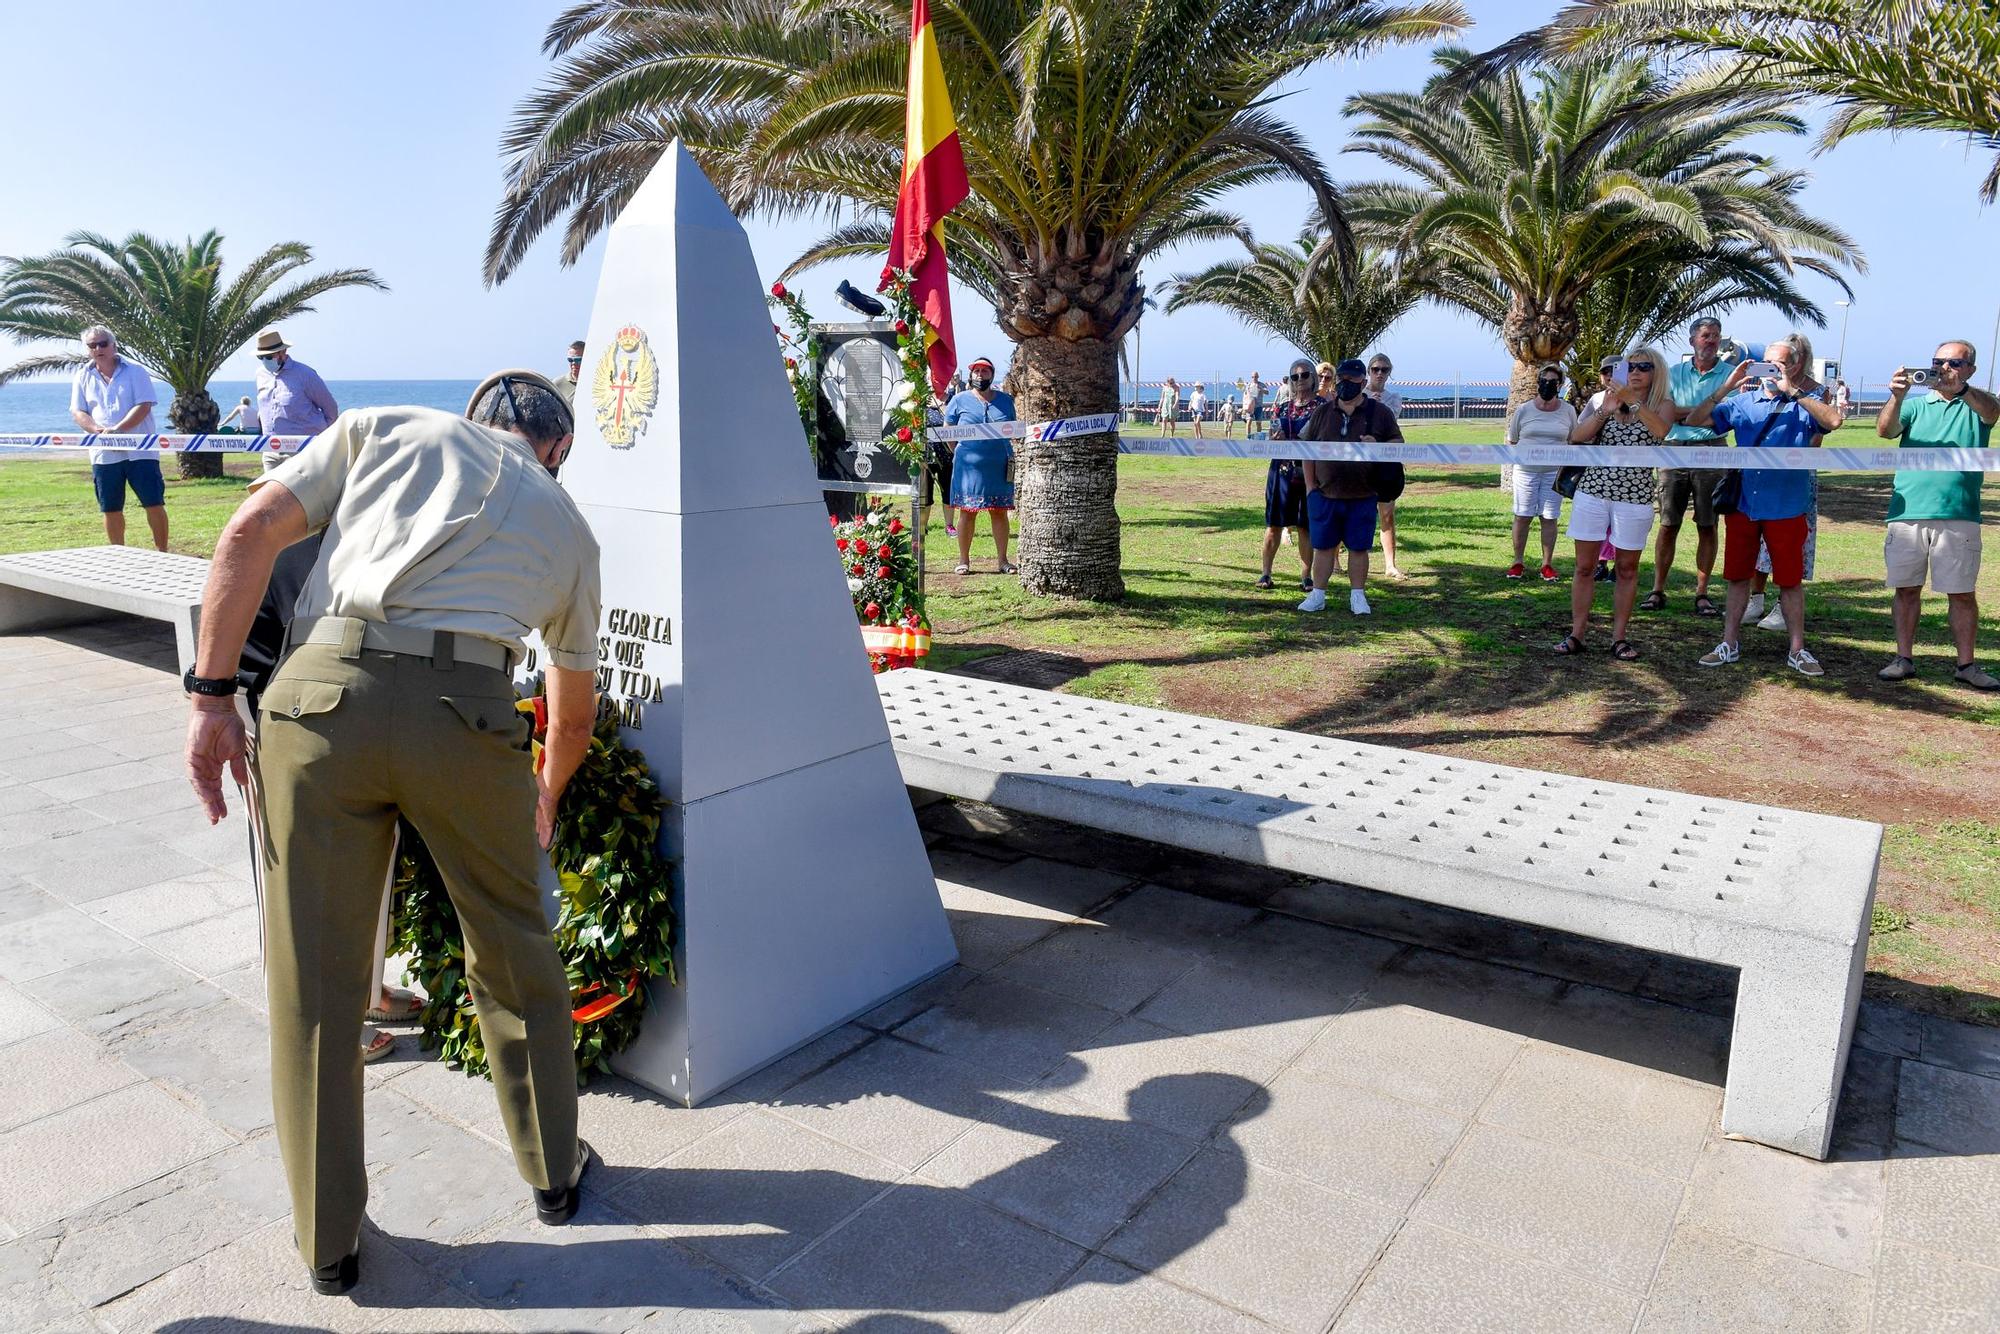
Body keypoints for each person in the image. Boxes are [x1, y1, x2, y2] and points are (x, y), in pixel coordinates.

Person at [181, 369, 599, 1295]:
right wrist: (546, 789)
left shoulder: (385, 429)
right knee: (514, 948)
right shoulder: (570, 528)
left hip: (322, 695)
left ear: (472, 417)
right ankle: (553, 1177)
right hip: (471, 713)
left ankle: (329, 1245)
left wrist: (211, 698)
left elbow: (247, 533)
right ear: (556, 452)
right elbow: (571, 712)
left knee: (316, 979)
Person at [1683, 333, 1838, 676]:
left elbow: (1833, 422)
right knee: (1737, 577)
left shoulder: (1806, 400)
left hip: (1786, 505)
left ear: (1796, 365)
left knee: (1789, 580)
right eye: (1764, 363)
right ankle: (1729, 643)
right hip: (1743, 504)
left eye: (1778, 363)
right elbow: (1695, 421)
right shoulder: (1743, 401)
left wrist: (1792, 390)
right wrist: (1727, 385)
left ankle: (1797, 649)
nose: (1769, 370)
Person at [1876, 340, 1998, 689]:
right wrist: (1897, 396)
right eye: (1937, 362)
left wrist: (1962, 390)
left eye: (1954, 363)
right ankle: (1903, 659)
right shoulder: (1916, 405)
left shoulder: (1976, 405)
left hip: (1958, 513)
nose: (1944, 369)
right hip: (1907, 512)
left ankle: (1966, 665)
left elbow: (1993, 412)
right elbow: (1885, 431)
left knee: (1961, 593)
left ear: (1970, 369)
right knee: (1906, 589)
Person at [1558, 346, 1674, 660]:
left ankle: (1619, 638)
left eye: (1643, 367)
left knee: (1626, 568)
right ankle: (1577, 634)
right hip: (1593, 492)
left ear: (1656, 372)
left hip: (1634, 497)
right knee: (1584, 567)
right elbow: (1578, 436)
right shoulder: (1602, 399)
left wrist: (1633, 400)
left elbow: (1662, 431)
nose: (1635, 372)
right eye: (1631, 366)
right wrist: (1604, 410)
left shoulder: (1662, 404)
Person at [1298, 358, 1402, 616]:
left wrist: (1377, 443)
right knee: (1323, 547)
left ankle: (1358, 596)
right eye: (1341, 380)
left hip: (1363, 494)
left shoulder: (1380, 413)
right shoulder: (1322, 412)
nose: (1345, 385)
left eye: (1352, 381)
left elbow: (1399, 443)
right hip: (1325, 494)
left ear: (1363, 383)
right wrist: (1311, 487)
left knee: (1359, 548)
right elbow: (1306, 449)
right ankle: (1318, 595)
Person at [1647, 317, 1732, 617]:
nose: (1711, 341)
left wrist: (1686, 414)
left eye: (1716, 336)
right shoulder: (1672, 373)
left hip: (1712, 452)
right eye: (1706, 335)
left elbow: (1722, 417)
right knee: (1668, 523)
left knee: (1707, 525)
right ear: (1692, 340)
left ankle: (1702, 592)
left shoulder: (1731, 375)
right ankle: (1658, 589)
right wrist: (1700, 411)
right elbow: (1662, 412)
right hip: (1673, 452)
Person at [68, 326, 168, 550]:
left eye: (103, 343)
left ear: (114, 345)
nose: (98, 349)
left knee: (153, 503)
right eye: (92, 345)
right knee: (110, 508)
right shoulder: (82, 375)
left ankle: (163, 553)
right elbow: (78, 411)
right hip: (104, 454)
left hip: (140, 451)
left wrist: (119, 429)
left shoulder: (135, 371)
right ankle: (118, 554)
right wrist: (96, 430)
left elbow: (144, 405)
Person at [943, 356, 1016, 574]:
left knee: (999, 512)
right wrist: (959, 451)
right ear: (971, 374)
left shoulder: (1005, 400)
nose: (980, 375)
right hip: (968, 468)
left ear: (992, 375)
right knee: (968, 512)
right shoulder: (959, 400)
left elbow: (1014, 429)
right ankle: (963, 561)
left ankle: (1003, 561)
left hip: (998, 465)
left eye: (985, 371)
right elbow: (949, 429)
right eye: (976, 371)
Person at [1505, 363, 1574, 582]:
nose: (1547, 385)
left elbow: (1574, 438)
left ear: (1560, 385)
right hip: (1526, 472)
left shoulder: (1568, 410)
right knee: (1522, 515)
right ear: (1537, 383)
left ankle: (1547, 564)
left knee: (1549, 517)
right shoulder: (1524, 409)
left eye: (1552, 382)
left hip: (1554, 473)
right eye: (1544, 381)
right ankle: (1518, 562)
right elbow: (1513, 439)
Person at [1259, 357, 1321, 591]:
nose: (1300, 380)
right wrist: (1275, 440)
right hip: (1281, 472)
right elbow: (1270, 435)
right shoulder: (1283, 406)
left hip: (1309, 473)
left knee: (1305, 526)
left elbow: (1322, 439)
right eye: (1295, 376)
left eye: (1305, 375)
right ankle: (1265, 573)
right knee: (1274, 524)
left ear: (1313, 377)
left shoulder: (1322, 406)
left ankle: (1306, 577)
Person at [253, 328, 339, 472]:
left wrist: (320, 440)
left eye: (268, 357)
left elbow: (330, 409)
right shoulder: (260, 375)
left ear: (282, 352)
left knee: (304, 494)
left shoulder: (305, 374)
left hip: (302, 450)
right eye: (261, 357)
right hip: (270, 450)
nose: (264, 361)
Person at [1365, 353, 1407, 578]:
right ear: (1368, 371)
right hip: (1360, 464)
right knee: (1353, 512)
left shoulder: (1394, 397)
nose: (1379, 373)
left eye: (1384, 369)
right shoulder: (1358, 395)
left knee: (1387, 514)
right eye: (1375, 369)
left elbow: (1389, 421)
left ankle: (1390, 565)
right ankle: (1335, 562)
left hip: (1385, 463)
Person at [554, 339, 585, 408]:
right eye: (570, 360)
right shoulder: (557, 384)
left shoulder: (595, 382)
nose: (573, 363)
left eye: (578, 360)